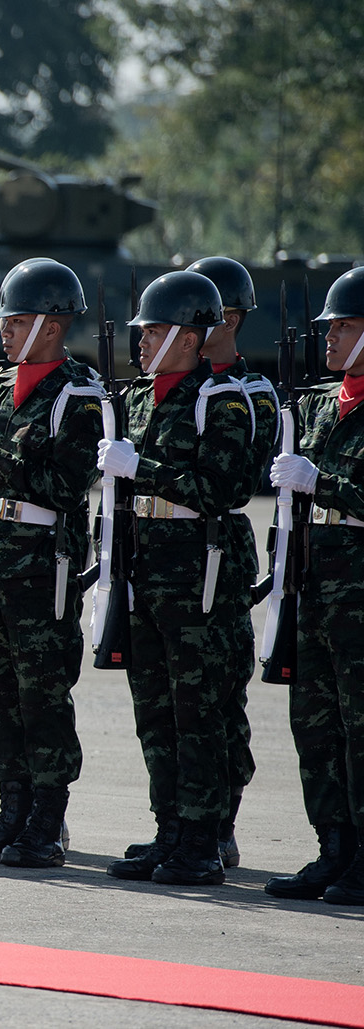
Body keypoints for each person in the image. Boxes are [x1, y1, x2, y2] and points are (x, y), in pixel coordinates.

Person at [97, 269, 253, 887]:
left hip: (199, 579)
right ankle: (169, 830)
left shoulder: (221, 400)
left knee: (200, 713)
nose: (141, 341)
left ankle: (203, 839)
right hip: (146, 574)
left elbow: (226, 489)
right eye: (142, 330)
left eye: (155, 331)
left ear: (190, 339)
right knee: (155, 712)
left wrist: (148, 470)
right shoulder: (139, 399)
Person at [0, 258, 102, 867]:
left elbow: (68, 486)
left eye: (17, 320)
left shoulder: (78, 394)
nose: (5, 330)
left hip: (43, 563)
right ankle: (12, 808)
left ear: (52, 325)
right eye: (5, 320)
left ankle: (48, 817)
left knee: (42, 693)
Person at [264, 266, 364, 905]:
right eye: (329, 326)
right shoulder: (325, 405)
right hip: (317, 591)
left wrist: (319, 483)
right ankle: (335, 849)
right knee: (316, 725)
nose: (329, 337)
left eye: (345, 326)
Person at [180, 254, 276, 868]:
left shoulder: (250, 391)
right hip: (168, 558)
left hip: (220, 555)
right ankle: (182, 825)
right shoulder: (175, 387)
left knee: (218, 697)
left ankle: (222, 821)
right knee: (173, 701)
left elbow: (234, 473)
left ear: (231, 317)